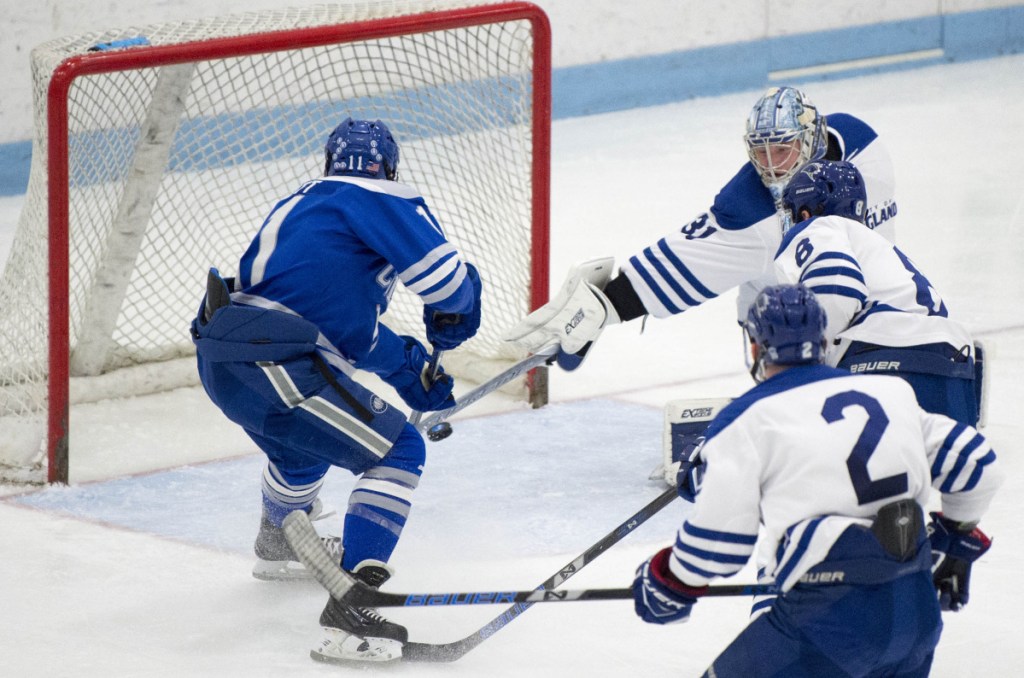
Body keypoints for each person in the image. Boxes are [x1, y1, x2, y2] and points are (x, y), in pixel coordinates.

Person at [190, 118, 482, 664]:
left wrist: (406, 371)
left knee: (304, 449)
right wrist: (459, 309)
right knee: (398, 450)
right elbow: (447, 285)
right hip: (276, 362)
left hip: (229, 357)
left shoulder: (302, 205)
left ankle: (278, 541)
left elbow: (337, 322)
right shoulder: (378, 196)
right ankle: (354, 611)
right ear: (389, 167)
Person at [632, 283, 1003, 677]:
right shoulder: (892, 392)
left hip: (827, 625)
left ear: (756, 347)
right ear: (823, 341)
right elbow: (979, 465)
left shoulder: (747, 419)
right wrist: (954, 540)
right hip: (916, 615)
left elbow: (717, 547)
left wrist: (666, 583)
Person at [505, 85, 899, 371]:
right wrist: (603, 307)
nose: (771, 165)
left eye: (781, 149)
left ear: (811, 140)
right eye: (760, 152)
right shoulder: (750, 211)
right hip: (780, 317)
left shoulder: (863, 146)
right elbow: (683, 260)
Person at [773, 159, 979, 425]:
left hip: (883, 361)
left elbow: (837, 286)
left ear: (804, 213)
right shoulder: (884, 252)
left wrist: (808, 370)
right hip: (953, 371)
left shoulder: (819, 227)